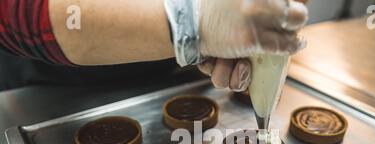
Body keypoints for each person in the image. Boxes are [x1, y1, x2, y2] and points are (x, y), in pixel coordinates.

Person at [0, 0, 308, 91]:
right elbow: (16, 14)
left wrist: (265, 14)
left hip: (183, 78)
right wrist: (195, 24)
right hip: (51, 91)